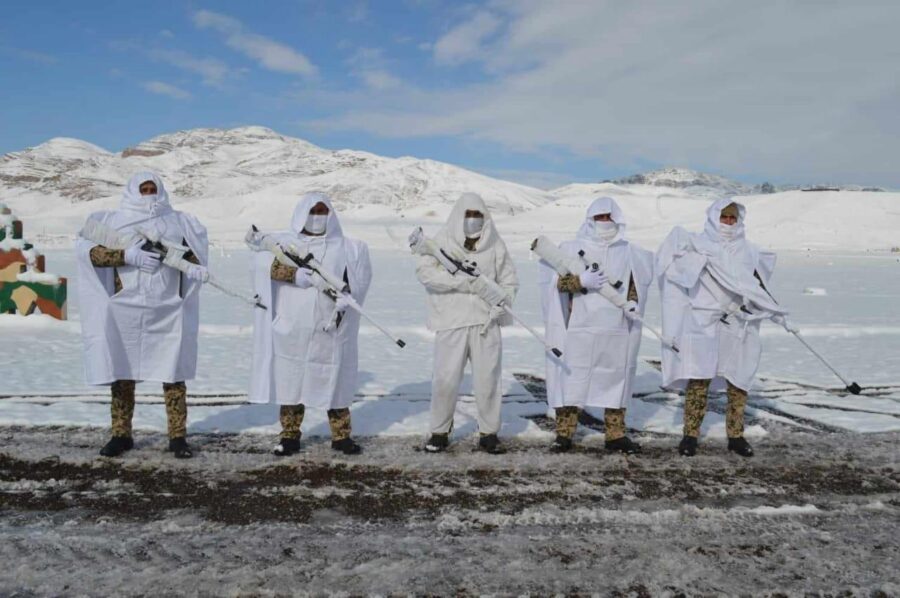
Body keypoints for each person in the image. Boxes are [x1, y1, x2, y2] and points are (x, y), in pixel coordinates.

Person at [75, 172, 208, 458]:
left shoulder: (177, 221)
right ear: (133, 191)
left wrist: (194, 267)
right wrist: (127, 256)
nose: (149, 194)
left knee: (173, 373)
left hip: (167, 307)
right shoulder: (113, 221)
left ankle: (178, 438)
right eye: (143, 189)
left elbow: (190, 255)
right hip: (126, 307)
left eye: (153, 189)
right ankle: (121, 435)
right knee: (122, 372)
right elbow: (91, 252)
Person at [656, 198, 790, 457]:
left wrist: (771, 309)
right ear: (714, 217)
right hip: (703, 323)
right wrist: (695, 261)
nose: (728, 222)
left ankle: (736, 436)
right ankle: (690, 435)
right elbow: (676, 272)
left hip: (738, 323)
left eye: (733, 218)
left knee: (738, 379)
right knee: (699, 378)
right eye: (724, 217)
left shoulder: (751, 252)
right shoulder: (696, 244)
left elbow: (757, 286)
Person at [248, 193, 371, 456]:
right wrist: (293, 275)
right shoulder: (285, 242)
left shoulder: (350, 248)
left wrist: (346, 302)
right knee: (292, 382)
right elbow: (261, 266)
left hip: (332, 328)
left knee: (336, 380)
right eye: (312, 211)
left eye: (322, 211)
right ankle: (289, 436)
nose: (317, 217)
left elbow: (360, 282)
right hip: (293, 328)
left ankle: (341, 436)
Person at [538, 197, 653, 454]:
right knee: (572, 379)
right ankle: (564, 434)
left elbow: (634, 286)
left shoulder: (629, 252)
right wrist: (581, 281)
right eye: (599, 218)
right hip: (579, 327)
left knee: (616, 379)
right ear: (590, 220)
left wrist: (633, 303)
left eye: (608, 217)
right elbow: (556, 285)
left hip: (616, 329)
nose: (604, 222)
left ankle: (615, 434)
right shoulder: (572, 248)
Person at [415, 192, 518, 454]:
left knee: (488, 380)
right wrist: (462, 283)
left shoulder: (496, 245)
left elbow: (509, 281)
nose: (473, 220)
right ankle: (439, 431)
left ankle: (489, 433)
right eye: (468, 214)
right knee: (445, 379)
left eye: (478, 215)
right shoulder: (442, 242)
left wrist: (501, 303)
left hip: (486, 323)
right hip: (452, 322)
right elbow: (426, 274)